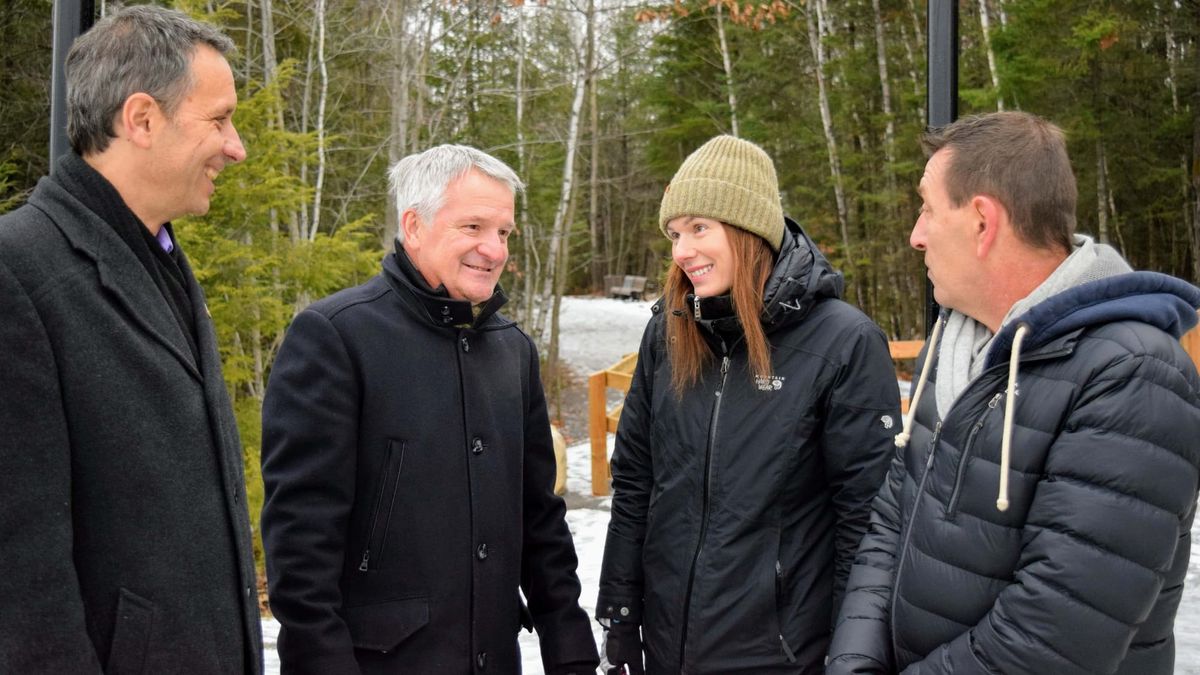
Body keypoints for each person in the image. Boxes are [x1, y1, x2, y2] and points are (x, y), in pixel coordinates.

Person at [827, 111, 1200, 674]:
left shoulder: (1133, 374)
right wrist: (854, 661)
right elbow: (891, 523)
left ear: (982, 221)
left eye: (927, 207)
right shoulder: (951, 345)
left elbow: (1057, 637)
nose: (916, 234)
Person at [260, 144, 599, 674]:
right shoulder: (337, 337)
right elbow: (300, 544)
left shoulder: (513, 350)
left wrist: (570, 649)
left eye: (504, 232)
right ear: (413, 226)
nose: (494, 249)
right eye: (473, 227)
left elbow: (540, 520)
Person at [0, 6, 261, 673]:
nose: (237, 147)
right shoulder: (19, 270)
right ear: (141, 119)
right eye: (219, 119)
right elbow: (20, 571)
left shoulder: (155, 250)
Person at [595, 135, 900, 674]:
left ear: (749, 229)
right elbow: (636, 480)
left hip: (781, 654)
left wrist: (854, 652)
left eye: (699, 228)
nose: (681, 251)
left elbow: (865, 517)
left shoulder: (843, 342)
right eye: (674, 233)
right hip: (667, 646)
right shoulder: (669, 332)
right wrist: (620, 615)